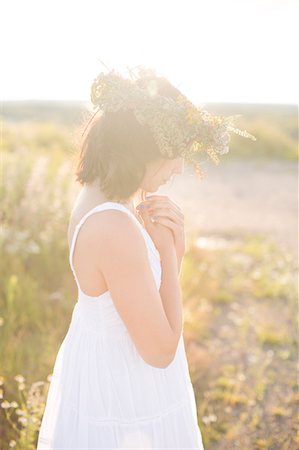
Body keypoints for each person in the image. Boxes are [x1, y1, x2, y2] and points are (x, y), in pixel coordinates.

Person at [37, 66, 243, 449]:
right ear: (143, 148)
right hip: (124, 391)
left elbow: (137, 301)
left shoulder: (103, 200)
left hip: (109, 372)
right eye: (174, 153)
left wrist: (169, 259)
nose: (180, 167)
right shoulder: (114, 226)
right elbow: (161, 350)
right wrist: (169, 253)